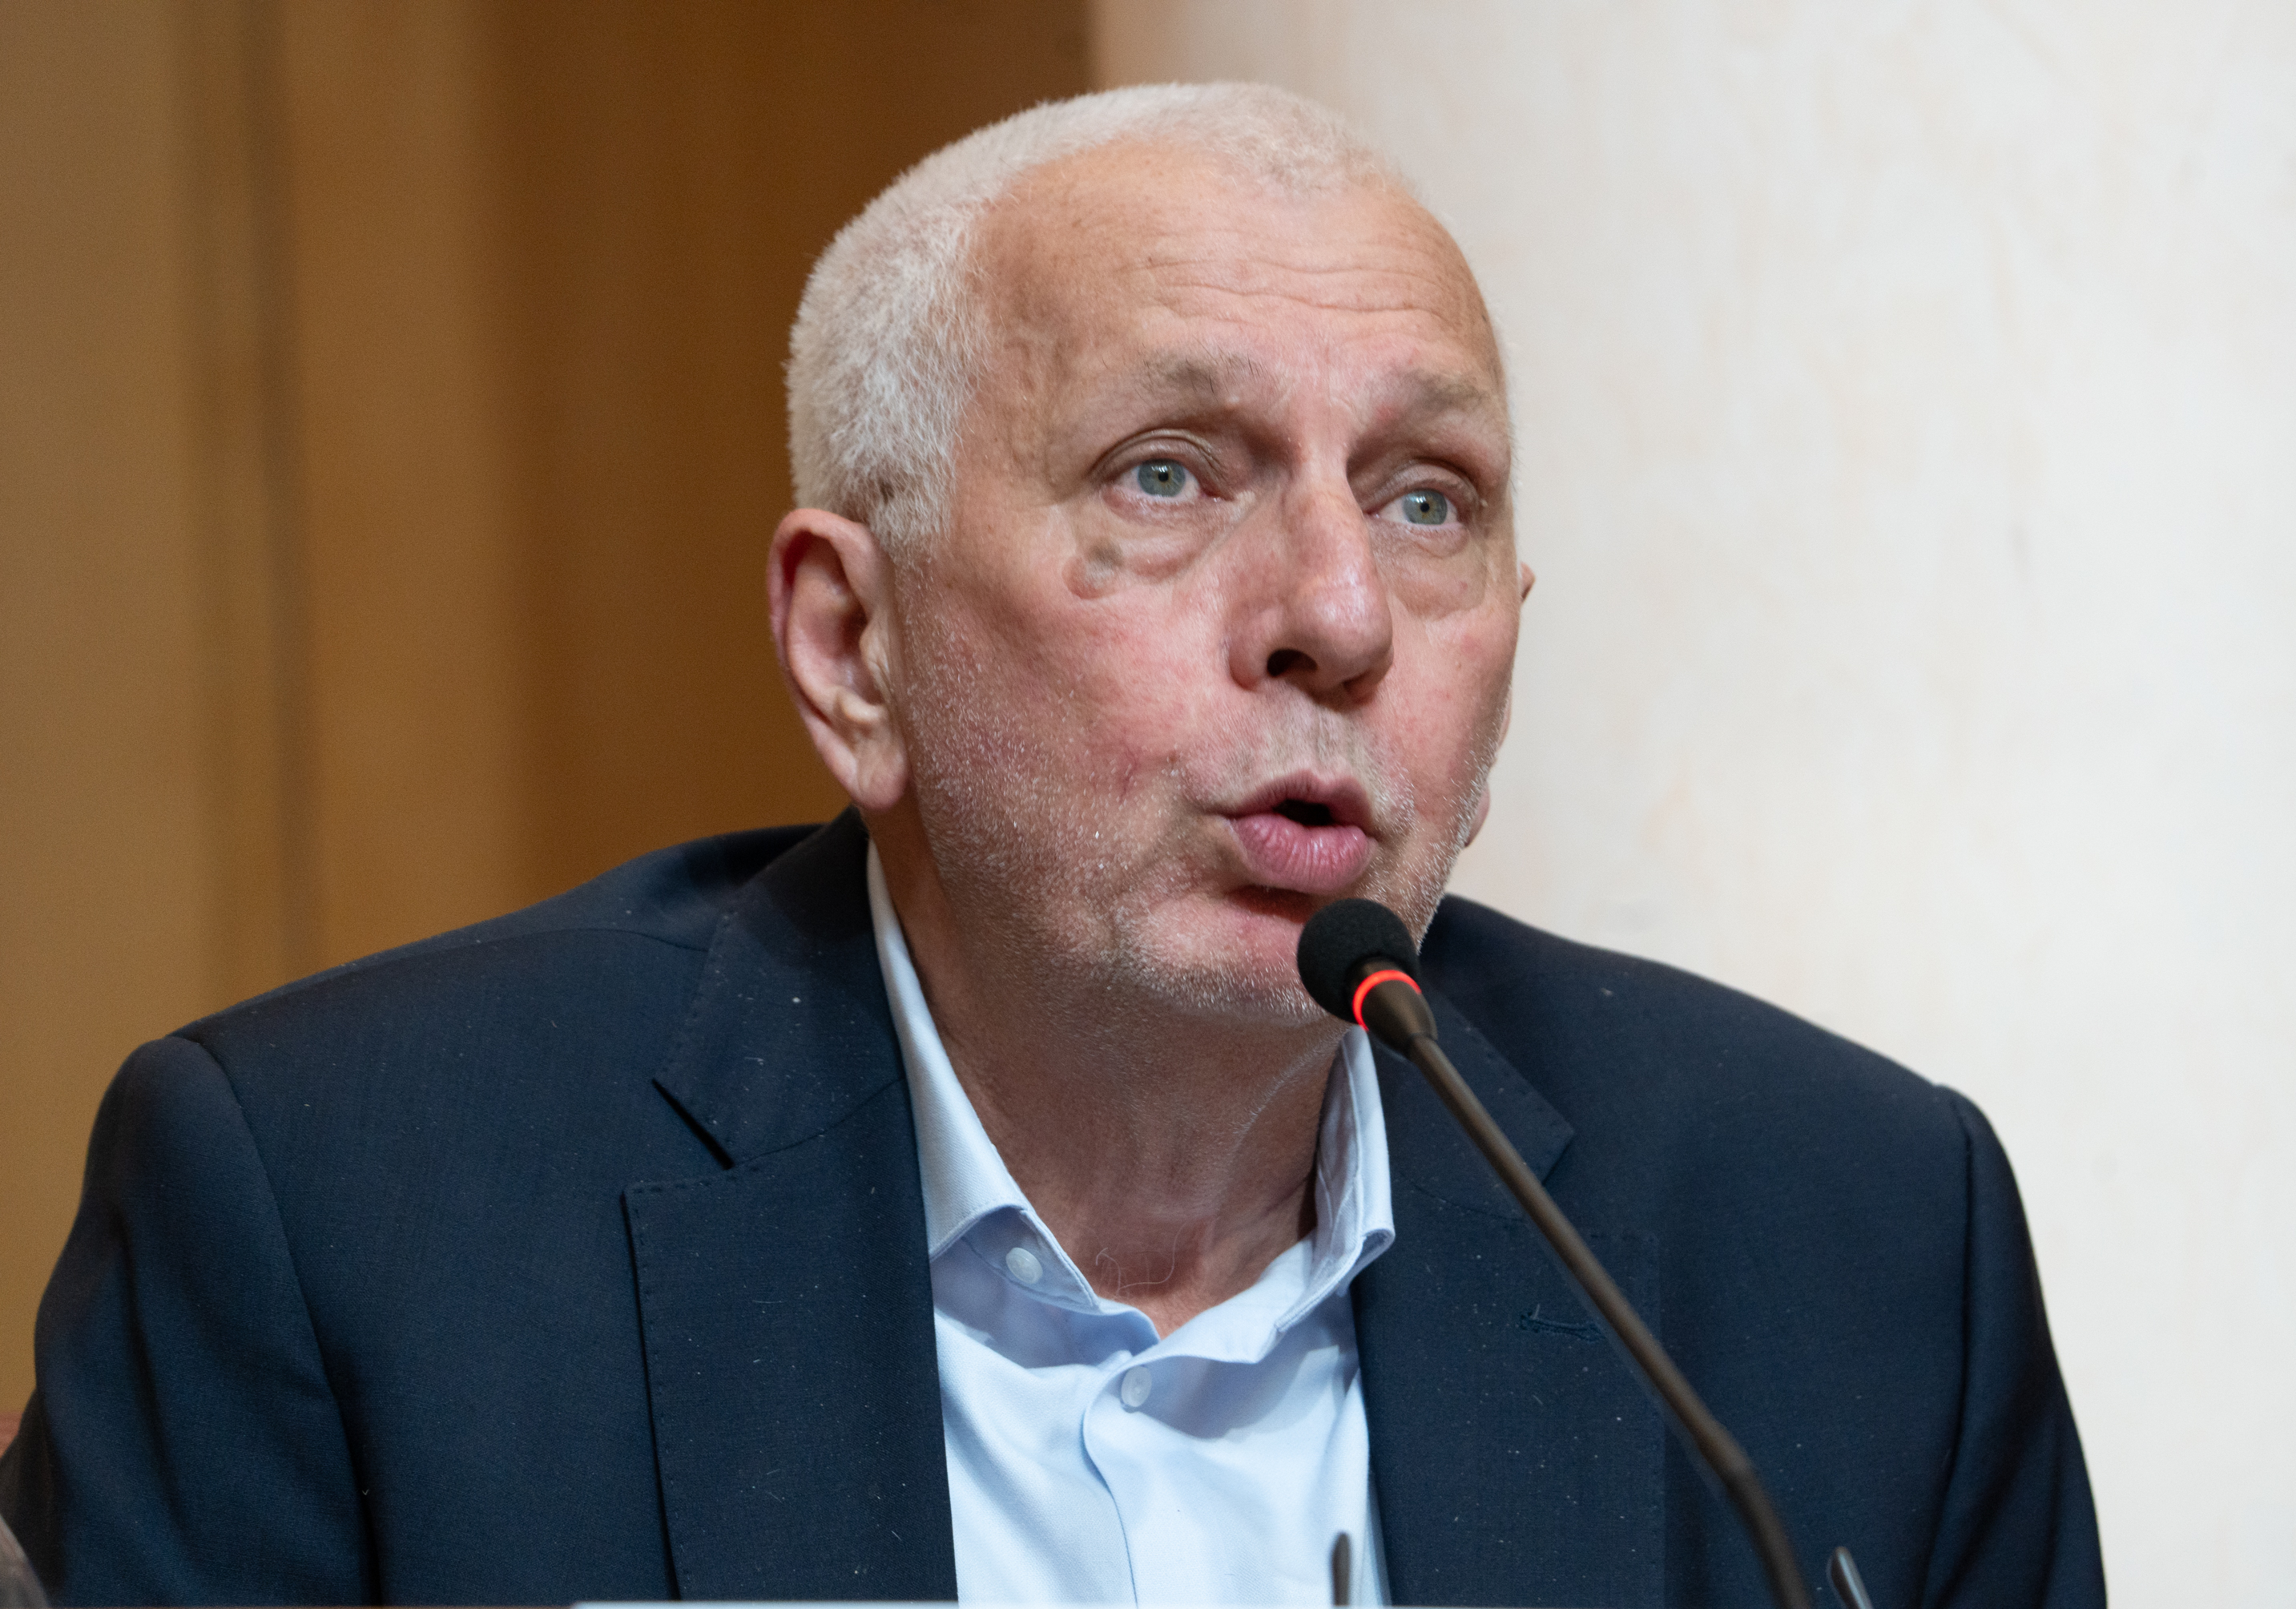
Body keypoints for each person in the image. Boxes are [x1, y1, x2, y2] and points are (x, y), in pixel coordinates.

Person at [0, 84, 2101, 1607]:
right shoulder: (343, 1223)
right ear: (853, 646)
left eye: (1427, 496)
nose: (1336, 613)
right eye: (1167, 474)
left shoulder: (1848, 1248)